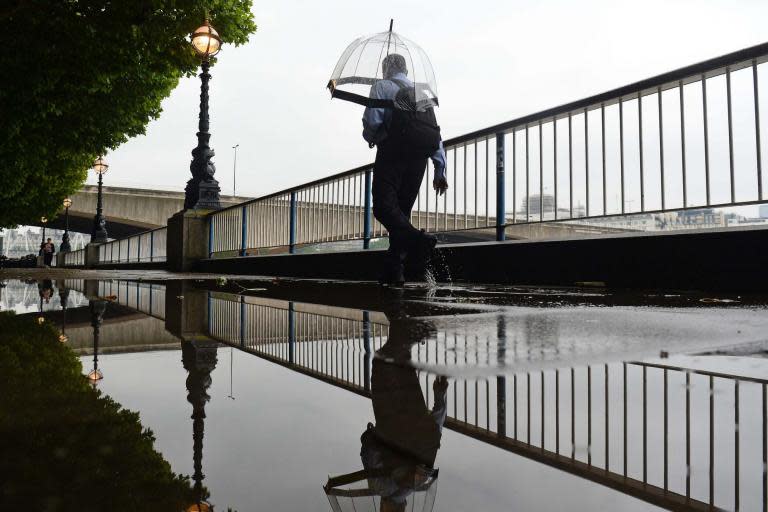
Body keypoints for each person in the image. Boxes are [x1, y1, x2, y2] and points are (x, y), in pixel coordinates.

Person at [363, 53, 448, 286]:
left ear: (385, 70)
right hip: (418, 160)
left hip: (392, 154)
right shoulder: (421, 92)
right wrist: (440, 169)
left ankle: (419, 240)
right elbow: (433, 132)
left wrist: (370, 137)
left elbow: (372, 123)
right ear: (406, 70)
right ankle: (395, 271)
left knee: (383, 207)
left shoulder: (382, 87)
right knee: (401, 212)